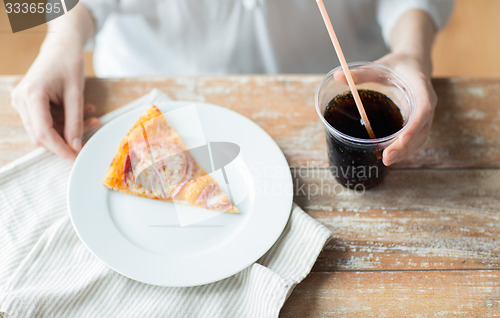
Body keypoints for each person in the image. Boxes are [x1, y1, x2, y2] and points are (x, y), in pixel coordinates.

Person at [11, 0, 453, 166]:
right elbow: (26, 6)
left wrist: (412, 51)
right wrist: (62, 33)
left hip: (334, 80)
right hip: (144, 88)